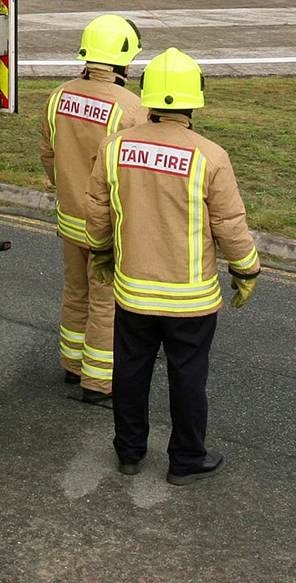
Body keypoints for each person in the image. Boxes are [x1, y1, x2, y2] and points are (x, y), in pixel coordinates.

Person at [83, 48, 259, 486]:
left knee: (130, 373)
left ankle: (129, 453)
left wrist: (101, 251)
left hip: (133, 293)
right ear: (194, 100)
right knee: (188, 378)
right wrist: (246, 270)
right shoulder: (210, 156)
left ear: (147, 96)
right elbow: (229, 224)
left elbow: (98, 210)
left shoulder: (115, 146)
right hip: (191, 300)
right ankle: (186, 459)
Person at [38, 14, 147, 406]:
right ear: (123, 60)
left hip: (70, 217)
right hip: (109, 223)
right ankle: (99, 382)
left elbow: (48, 155)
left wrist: (68, 189)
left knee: (76, 291)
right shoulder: (132, 109)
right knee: (106, 303)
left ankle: (72, 364)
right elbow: (134, 175)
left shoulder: (59, 96)